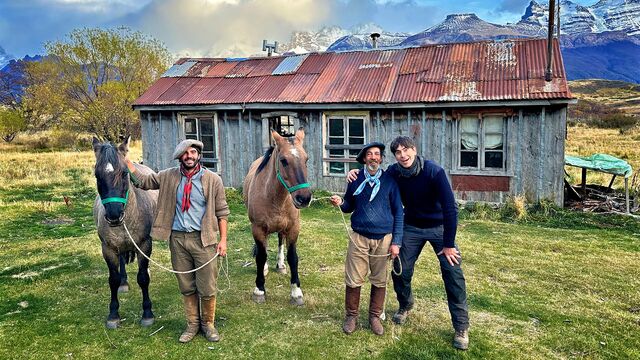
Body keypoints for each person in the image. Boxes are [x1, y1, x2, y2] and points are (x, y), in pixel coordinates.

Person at [347, 136, 470, 350]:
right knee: (400, 270)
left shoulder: (434, 172)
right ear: (394, 156)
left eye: (406, 150)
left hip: (439, 227)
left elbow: (451, 208)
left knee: (453, 273)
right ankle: (405, 305)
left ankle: (461, 327)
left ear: (414, 150)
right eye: (398, 152)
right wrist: (354, 172)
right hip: (412, 227)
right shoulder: (394, 173)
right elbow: (376, 175)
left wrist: (448, 244)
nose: (403, 155)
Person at [125, 139, 230, 343]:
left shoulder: (212, 179)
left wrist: (223, 240)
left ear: (198, 154)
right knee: (186, 285)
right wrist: (127, 161)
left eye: (192, 152)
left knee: (207, 286)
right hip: (178, 240)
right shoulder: (168, 176)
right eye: (185, 153)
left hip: (204, 239)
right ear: (179, 157)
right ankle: (192, 325)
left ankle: (208, 325)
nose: (189, 156)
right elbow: (144, 182)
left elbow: (222, 212)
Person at [330, 142, 404, 336]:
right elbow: (349, 206)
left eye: (377, 154)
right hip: (359, 237)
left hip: (384, 239)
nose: (373, 157)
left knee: (380, 280)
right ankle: (351, 316)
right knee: (353, 279)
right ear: (364, 159)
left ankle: (374, 317)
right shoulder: (355, 178)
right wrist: (340, 202)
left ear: (381, 159)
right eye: (369, 154)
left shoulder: (390, 180)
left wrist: (396, 242)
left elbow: (398, 212)